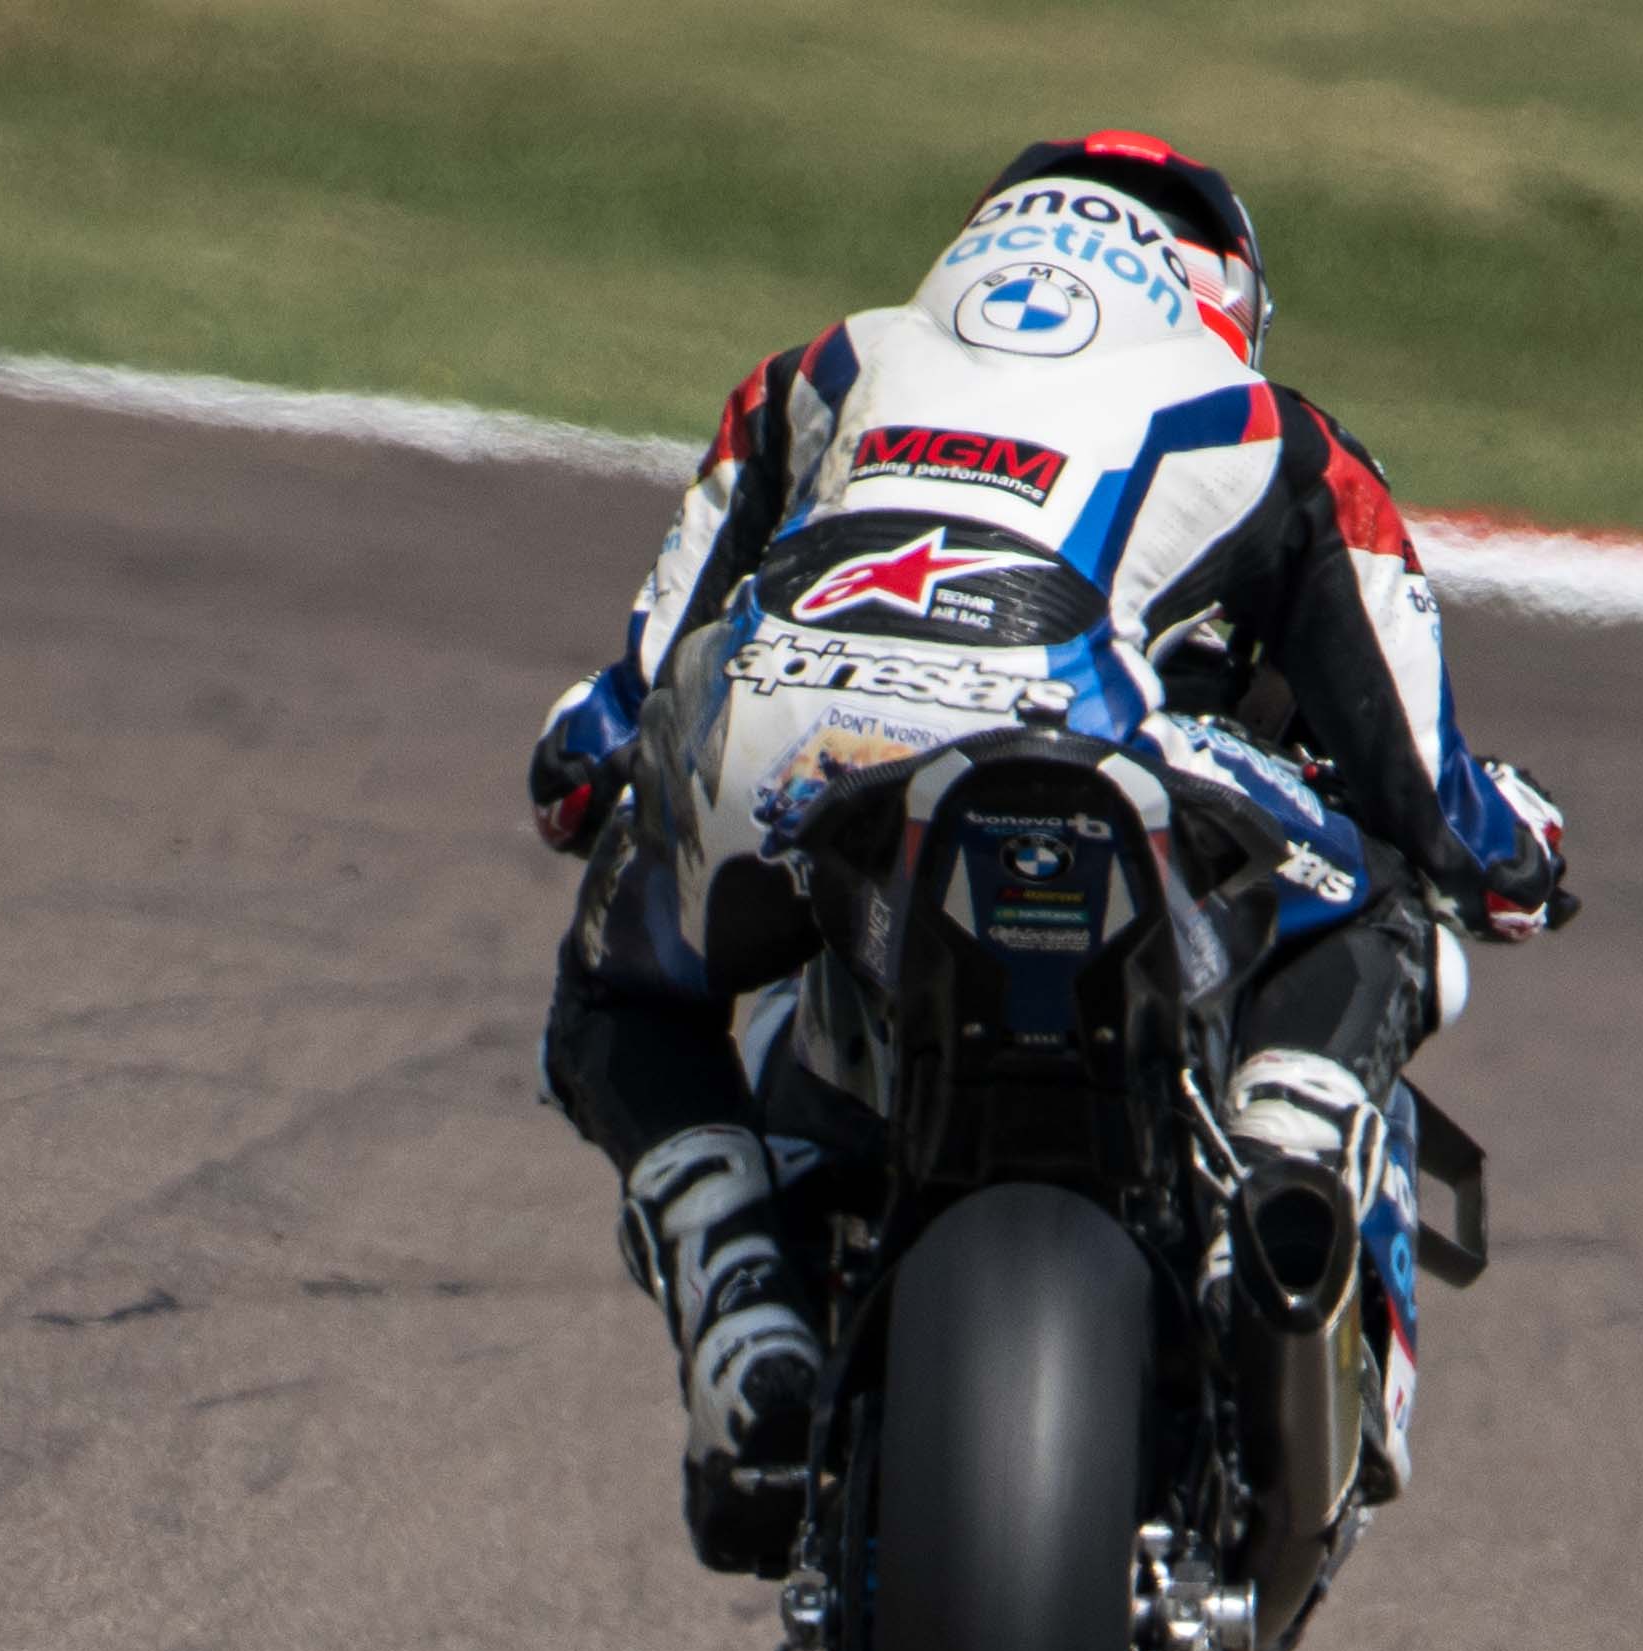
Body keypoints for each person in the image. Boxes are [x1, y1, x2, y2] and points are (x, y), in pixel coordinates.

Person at [524, 133, 1577, 1567]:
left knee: (615, 987)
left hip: (790, 748)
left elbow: (608, 723)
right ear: (1220, 294)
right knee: (1382, 894)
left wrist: (600, 793)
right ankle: (1280, 1172)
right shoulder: (1272, 429)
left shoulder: (823, 368)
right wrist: (1518, 854)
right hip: (1084, 746)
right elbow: (1428, 799)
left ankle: (739, 1300)